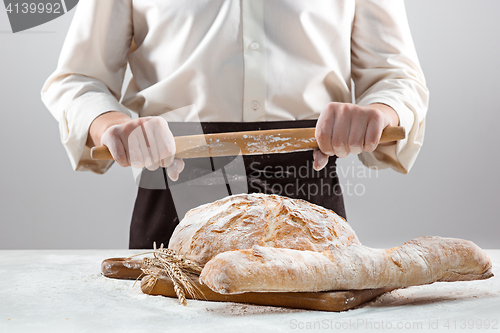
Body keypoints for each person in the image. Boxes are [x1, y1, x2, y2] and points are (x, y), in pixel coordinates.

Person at [41, 0, 428, 249]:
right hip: (177, 175)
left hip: (307, 181)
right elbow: (79, 78)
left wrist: (381, 111)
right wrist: (112, 124)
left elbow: (396, 78)